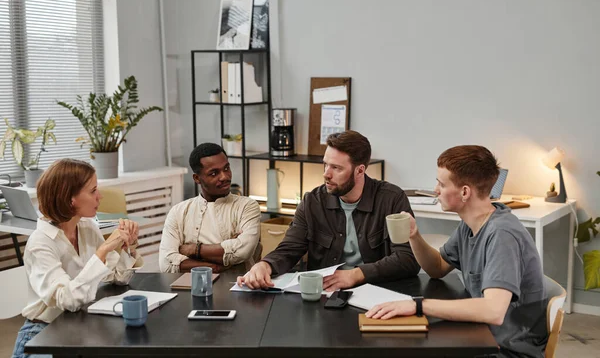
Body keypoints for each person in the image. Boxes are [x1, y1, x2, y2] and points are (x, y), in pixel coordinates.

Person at [366, 145, 547, 358]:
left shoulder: (502, 234)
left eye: (441, 184)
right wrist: (414, 235)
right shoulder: (470, 225)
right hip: (480, 334)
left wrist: (417, 305)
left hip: (507, 349)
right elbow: (438, 267)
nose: (435, 190)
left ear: (464, 192)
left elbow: (493, 311)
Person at [238, 130, 419, 291]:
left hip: (376, 293)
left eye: (336, 168)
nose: (326, 173)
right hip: (324, 294)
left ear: (360, 170)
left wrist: (356, 274)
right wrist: (264, 265)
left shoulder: (391, 199)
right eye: (325, 164)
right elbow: (290, 248)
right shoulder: (313, 201)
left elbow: (407, 259)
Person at [12, 159, 143, 358]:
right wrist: (104, 250)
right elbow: (69, 300)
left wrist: (127, 247)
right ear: (70, 198)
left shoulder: (87, 227)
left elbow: (117, 278)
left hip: (80, 325)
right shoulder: (40, 243)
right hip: (42, 335)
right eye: (93, 191)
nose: (100, 196)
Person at [158, 143, 261, 273]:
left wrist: (193, 250)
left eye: (226, 168)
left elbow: (243, 251)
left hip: (237, 285)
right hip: (188, 287)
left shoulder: (247, 206)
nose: (224, 177)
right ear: (197, 178)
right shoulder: (179, 212)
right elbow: (166, 264)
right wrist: (216, 266)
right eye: (214, 173)